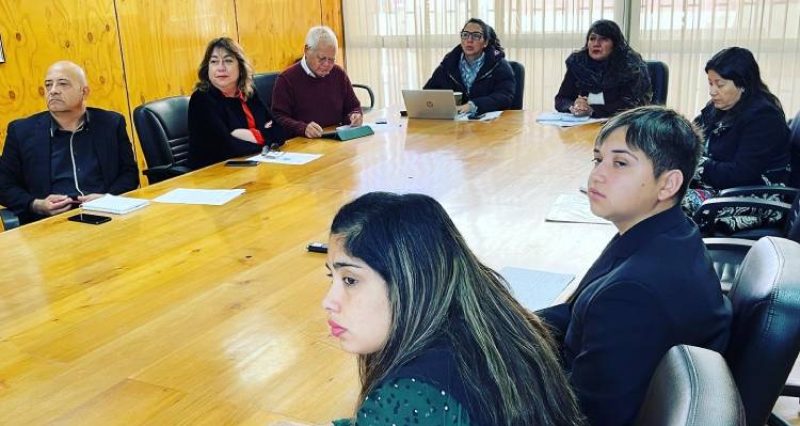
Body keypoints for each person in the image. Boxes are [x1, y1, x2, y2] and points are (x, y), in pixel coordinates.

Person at [537, 106, 732, 425]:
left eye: (621, 163)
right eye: (598, 159)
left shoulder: (633, 293)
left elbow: (589, 415)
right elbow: (576, 313)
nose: (597, 175)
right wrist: (506, 326)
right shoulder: (665, 231)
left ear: (668, 185)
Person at [324, 192, 586, 425]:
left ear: (411, 281)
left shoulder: (413, 394)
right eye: (331, 277)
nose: (328, 301)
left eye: (350, 280)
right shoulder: (491, 325)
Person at [0, 60, 139, 225]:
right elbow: (4, 185)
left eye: (63, 84)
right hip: (51, 223)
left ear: (84, 92)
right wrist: (36, 204)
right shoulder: (21, 131)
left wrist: (108, 198)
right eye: (48, 85)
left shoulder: (111, 123)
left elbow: (129, 173)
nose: (53, 91)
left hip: (108, 215)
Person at [684, 47, 790, 228]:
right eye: (710, 83)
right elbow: (689, 137)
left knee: (664, 203)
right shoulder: (717, 108)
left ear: (742, 84)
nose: (712, 91)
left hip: (753, 197)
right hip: (719, 189)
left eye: (719, 85)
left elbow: (741, 173)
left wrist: (697, 165)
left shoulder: (764, 117)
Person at [187, 37, 286, 169]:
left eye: (228, 61)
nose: (221, 68)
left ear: (240, 66)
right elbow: (229, 148)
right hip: (214, 172)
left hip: (252, 165)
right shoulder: (202, 99)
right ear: (207, 68)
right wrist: (266, 138)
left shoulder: (249, 93)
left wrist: (251, 135)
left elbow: (280, 132)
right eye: (214, 61)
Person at [271, 26, 362, 139]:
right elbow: (278, 118)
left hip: (335, 138)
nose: (327, 65)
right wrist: (303, 128)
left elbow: (353, 106)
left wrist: (355, 115)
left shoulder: (338, 74)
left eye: (331, 59)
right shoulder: (286, 79)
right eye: (322, 58)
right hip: (304, 143)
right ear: (307, 50)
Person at [554, 20, 652, 118]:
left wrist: (592, 110)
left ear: (615, 44)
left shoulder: (631, 66)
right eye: (592, 39)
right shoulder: (579, 63)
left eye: (604, 39)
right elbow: (561, 99)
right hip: (584, 123)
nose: (596, 44)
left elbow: (633, 105)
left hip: (621, 122)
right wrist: (574, 106)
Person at [423, 18, 516, 114]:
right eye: (465, 35)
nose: (469, 40)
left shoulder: (499, 65)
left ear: (485, 42)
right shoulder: (448, 64)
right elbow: (428, 93)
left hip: (488, 121)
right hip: (454, 120)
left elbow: (504, 97)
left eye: (476, 36)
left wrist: (474, 105)